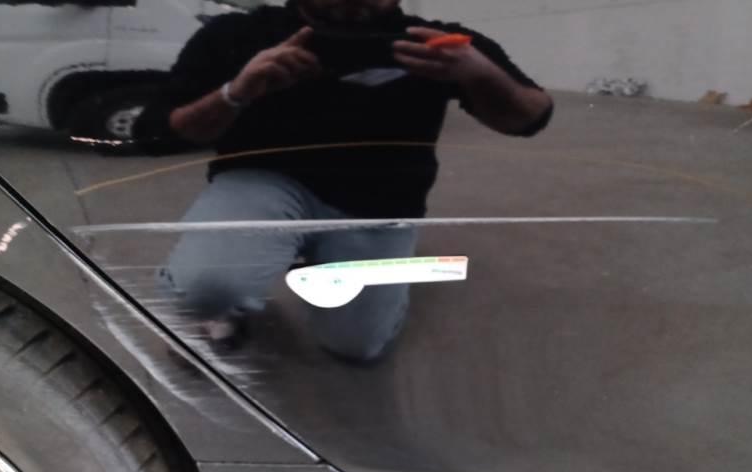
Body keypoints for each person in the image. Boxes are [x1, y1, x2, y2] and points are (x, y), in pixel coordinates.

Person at [137, 0, 553, 362]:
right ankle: (215, 301)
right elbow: (154, 132)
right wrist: (235, 92)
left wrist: (480, 73)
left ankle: (340, 267)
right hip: (265, 183)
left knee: (357, 347)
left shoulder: (440, 43)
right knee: (207, 288)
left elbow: (531, 117)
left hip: (381, 204)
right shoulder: (241, 34)